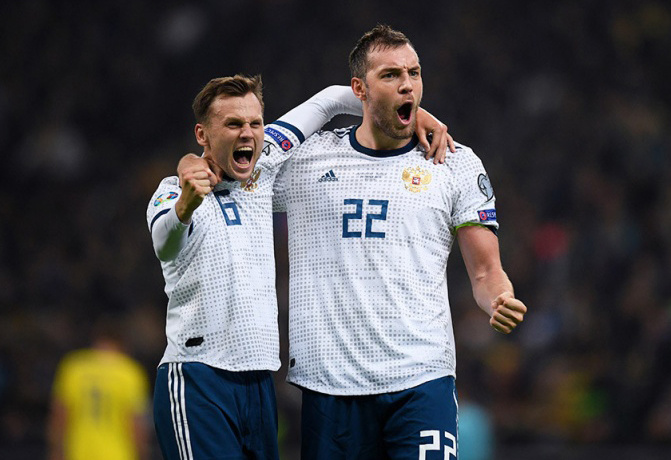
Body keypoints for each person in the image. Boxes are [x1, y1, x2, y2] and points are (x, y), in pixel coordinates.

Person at [148, 74, 452, 459]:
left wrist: (406, 113)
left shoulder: (265, 162)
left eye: (255, 123)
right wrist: (185, 206)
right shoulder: (173, 191)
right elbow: (165, 241)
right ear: (202, 135)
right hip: (197, 377)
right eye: (233, 124)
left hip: (259, 383)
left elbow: (330, 100)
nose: (247, 133)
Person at [272, 25, 527, 459]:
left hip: (421, 379)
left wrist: (499, 298)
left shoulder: (455, 163)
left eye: (414, 73)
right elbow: (240, 164)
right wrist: (332, 100)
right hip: (330, 383)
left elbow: (487, 271)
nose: (407, 84)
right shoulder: (308, 161)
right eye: (390, 75)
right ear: (359, 89)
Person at [47, 318, 150, 460]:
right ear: (122, 343)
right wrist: (142, 454)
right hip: (118, 455)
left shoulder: (73, 367)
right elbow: (135, 423)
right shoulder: (129, 372)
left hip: (77, 453)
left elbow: (59, 415)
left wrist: (56, 451)